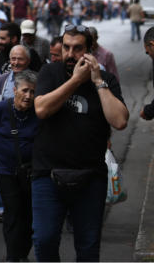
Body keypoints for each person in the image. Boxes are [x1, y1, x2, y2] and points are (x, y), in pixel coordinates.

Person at [32, 25, 128, 261]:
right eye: (66, 47)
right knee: (44, 241)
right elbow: (42, 109)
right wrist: (75, 81)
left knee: (88, 247)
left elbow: (119, 121)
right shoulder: (49, 72)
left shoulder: (106, 79)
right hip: (48, 174)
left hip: (90, 176)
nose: (70, 54)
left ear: (90, 50)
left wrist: (97, 82)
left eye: (77, 48)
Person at [0, 70, 39, 262]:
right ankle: (12, 255)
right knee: (13, 210)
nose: (28, 96)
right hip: (5, 170)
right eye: (25, 90)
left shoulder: (37, 112)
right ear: (15, 90)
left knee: (28, 212)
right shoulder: (1, 109)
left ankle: (23, 253)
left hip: (30, 171)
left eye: (33, 92)